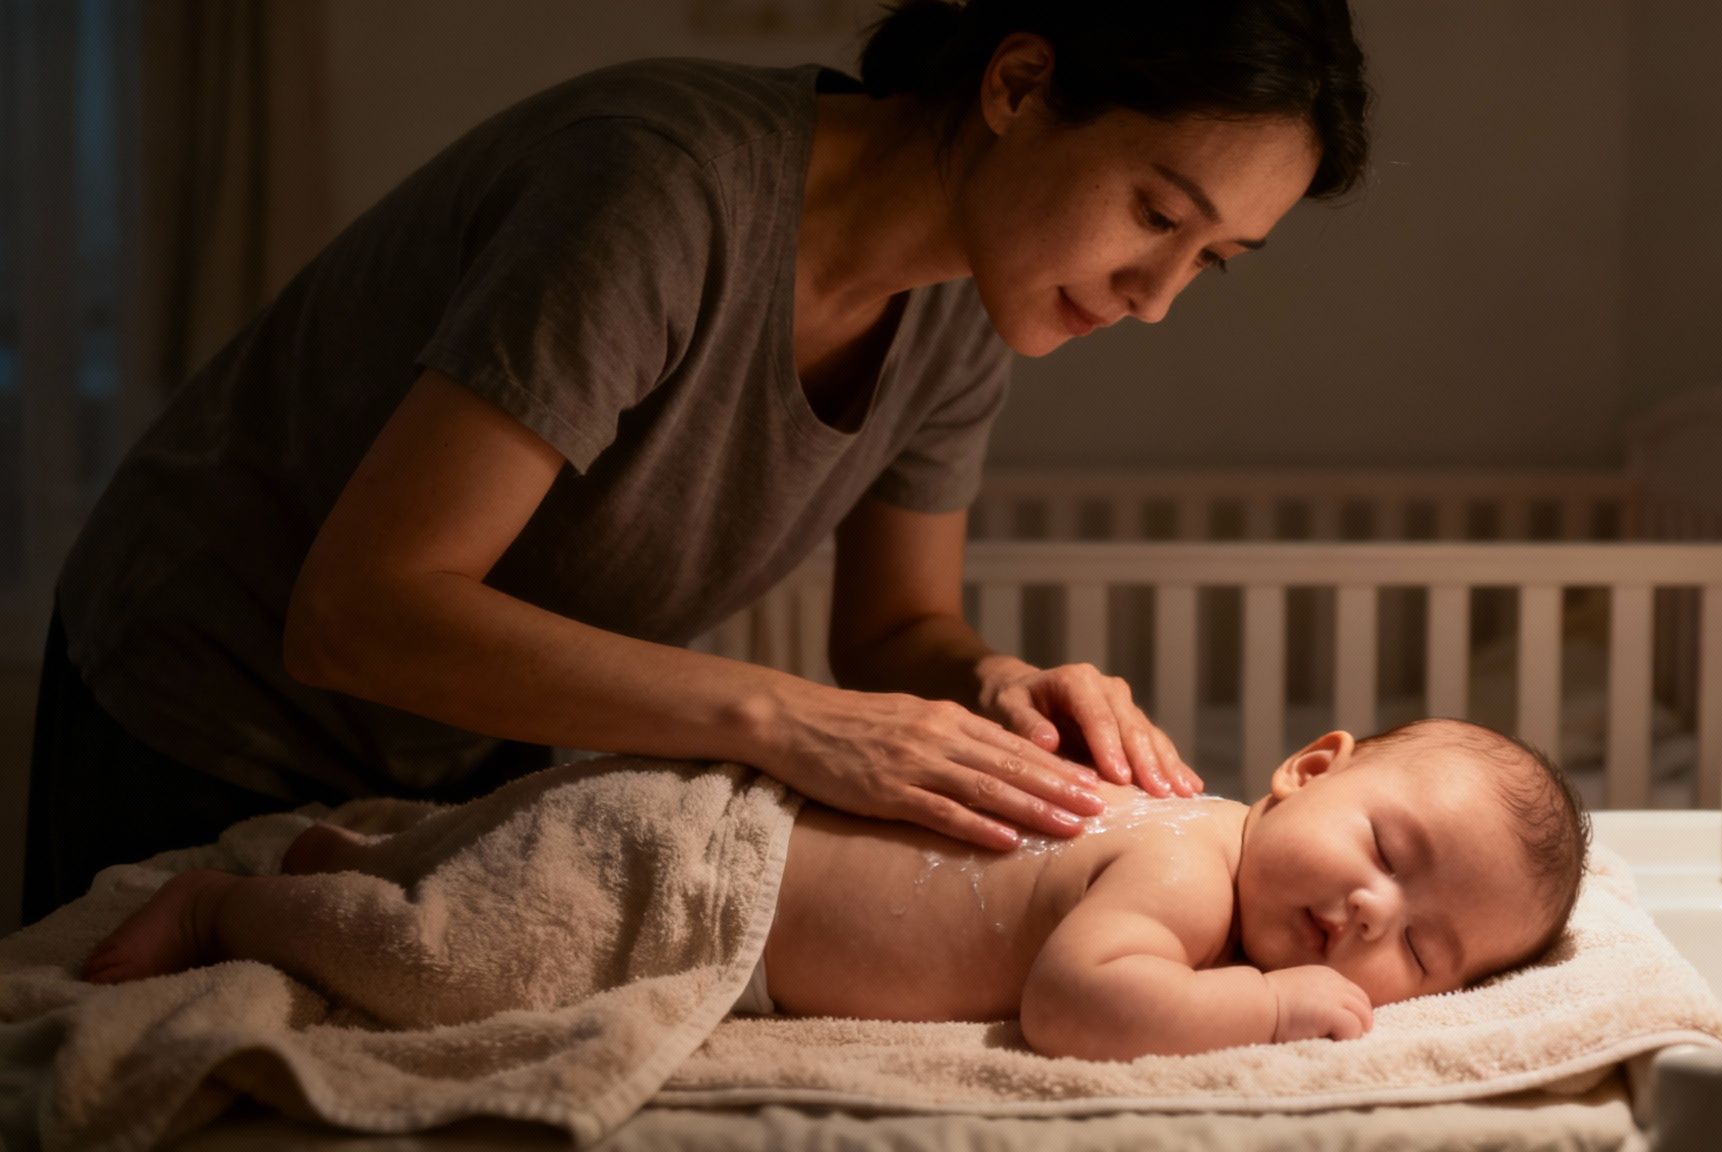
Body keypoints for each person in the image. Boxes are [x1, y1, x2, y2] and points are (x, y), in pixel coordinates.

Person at [22, 0, 1374, 925]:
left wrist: (998, 684)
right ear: (1019, 86)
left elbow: (896, 627)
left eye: (1214, 261)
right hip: (196, 702)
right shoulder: (662, 189)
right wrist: (789, 722)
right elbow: (358, 613)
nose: (1156, 297)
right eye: (1157, 215)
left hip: (455, 746)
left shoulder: (969, 311)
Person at [82, 718, 1591, 1059]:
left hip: (684, 830)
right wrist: (1264, 1010)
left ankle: (356, 861)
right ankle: (243, 912)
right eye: (1388, 857)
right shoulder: (1187, 871)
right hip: (693, 875)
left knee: (482, 868)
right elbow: (1078, 1005)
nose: (1371, 926)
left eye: (1434, 952)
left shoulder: (1197, 843)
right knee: (438, 962)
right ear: (1308, 772)